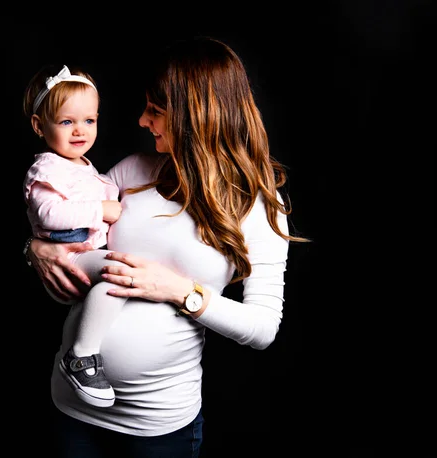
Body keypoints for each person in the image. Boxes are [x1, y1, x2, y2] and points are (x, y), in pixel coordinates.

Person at [24, 36, 309, 458]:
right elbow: (63, 218)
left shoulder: (258, 205)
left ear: (197, 117)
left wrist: (177, 290)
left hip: (158, 428)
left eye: (155, 111)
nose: (141, 121)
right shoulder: (131, 171)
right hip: (70, 411)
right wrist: (34, 249)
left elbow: (263, 329)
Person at [22, 64, 130, 408]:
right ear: (40, 126)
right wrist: (102, 209)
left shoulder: (84, 166)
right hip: (69, 257)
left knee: (116, 278)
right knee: (120, 274)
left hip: (84, 253)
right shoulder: (47, 168)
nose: (80, 130)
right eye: (66, 122)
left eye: (89, 120)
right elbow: (48, 215)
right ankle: (80, 357)